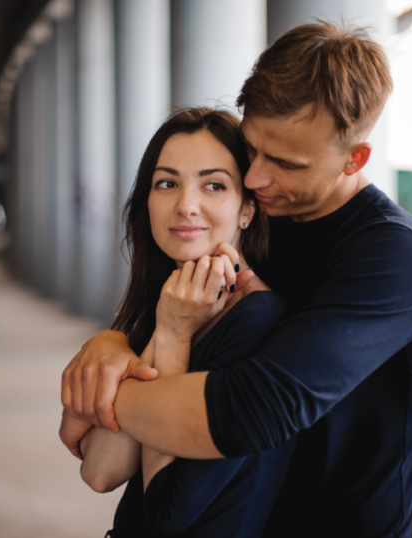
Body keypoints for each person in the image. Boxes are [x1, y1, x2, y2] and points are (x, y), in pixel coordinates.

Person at [60, 20, 412, 537]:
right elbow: (105, 462)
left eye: (284, 162)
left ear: (355, 158)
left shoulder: (395, 257)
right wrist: (111, 344)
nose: (256, 178)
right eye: (252, 149)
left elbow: (250, 410)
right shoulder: (259, 223)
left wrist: (107, 394)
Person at [65, 107, 296, 537]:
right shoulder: (179, 304)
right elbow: (100, 470)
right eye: (167, 183)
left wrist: (173, 337)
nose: (186, 206)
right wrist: (152, 331)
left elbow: (170, 512)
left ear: (247, 208)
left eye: (213, 185)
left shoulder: (256, 321)